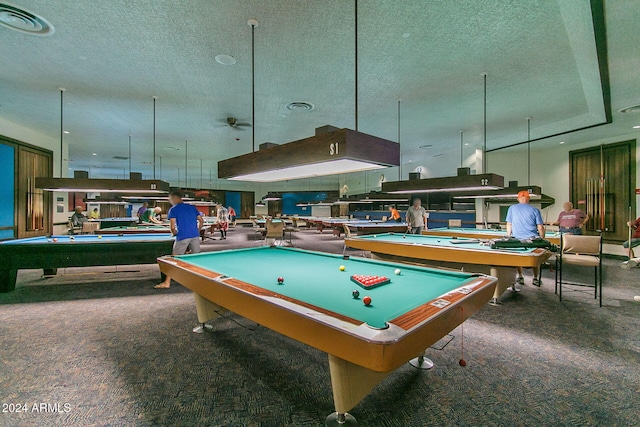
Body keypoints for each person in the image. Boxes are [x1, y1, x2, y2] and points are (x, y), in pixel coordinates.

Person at [155, 192, 204, 289]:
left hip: (182, 236)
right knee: (197, 258)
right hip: (195, 235)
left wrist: (174, 233)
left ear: (174, 198)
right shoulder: (191, 207)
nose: (170, 201)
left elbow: (172, 226)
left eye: (170, 199)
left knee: (174, 259)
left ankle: (167, 282)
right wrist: (197, 230)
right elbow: (201, 221)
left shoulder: (173, 209)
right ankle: (200, 281)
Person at [506, 190, 545, 287]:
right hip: (532, 239)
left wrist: (509, 236)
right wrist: (542, 239)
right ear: (529, 199)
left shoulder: (512, 208)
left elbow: (509, 224)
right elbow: (540, 227)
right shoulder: (535, 210)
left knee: (519, 258)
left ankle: (520, 276)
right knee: (534, 259)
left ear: (518, 199)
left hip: (517, 238)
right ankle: (535, 278)